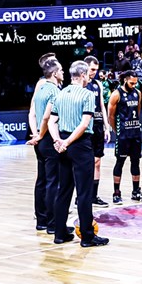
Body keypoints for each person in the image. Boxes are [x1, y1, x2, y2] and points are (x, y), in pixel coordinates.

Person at [48, 60, 109, 248]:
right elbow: (83, 124)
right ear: (82, 75)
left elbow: (51, 121)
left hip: (63, 144)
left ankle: (59, 234)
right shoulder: (87, 94)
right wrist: (67, 141)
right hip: (80, 144)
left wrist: (58, 140)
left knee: (64, 189)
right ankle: (87, 237)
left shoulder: (60, 93)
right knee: (84, 192)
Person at [28, 54, 64, 233]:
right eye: (62, 70)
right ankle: (52, 223)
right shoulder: (54, 91)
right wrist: (41, 135)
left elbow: (32, 113)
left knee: (41, 180)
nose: (64, 72)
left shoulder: (40, 88)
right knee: (52, 182)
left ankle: (41, 220)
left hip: (40, 141)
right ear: (56, 73)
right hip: (48, 138)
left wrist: (35, 135)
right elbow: (47, 117)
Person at [107, 70, 142, 205]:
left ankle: (136, 191)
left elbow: (138, 111)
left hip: (135, 133)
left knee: (136, 163)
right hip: (123, 135)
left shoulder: (138, 93)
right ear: (125, 80)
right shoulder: (116, 94)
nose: (133, 85)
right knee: (120, 162)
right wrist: (117, 130)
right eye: (131, 82)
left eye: (135, 83)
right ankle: (116, 192)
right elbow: (111, 116)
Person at [83, 56, 112, 206]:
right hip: (86, 127)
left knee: (97, 162)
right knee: (86, 163)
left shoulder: (98, 84)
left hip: (98, 125)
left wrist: (107, 127)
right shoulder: (80, 84)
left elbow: (102, 105)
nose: (94, 72)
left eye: (96, 69)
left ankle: (94, 196)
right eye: (92, 69)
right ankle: (82, 196)